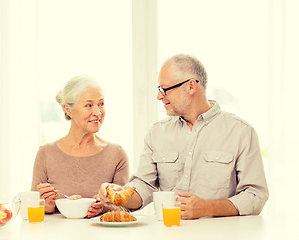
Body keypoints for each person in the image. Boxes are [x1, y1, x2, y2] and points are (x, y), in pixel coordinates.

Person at [98, 54, 269, 219]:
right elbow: (144, 185)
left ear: (191, 86)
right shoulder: (157, 133)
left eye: (164, 89)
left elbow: (256, 195)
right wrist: (120, 194)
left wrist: (207, 207)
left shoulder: (241, 131)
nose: (159, 96)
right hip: (169, 233)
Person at [31, 75, 130, 218]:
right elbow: (32, 207)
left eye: (101, 104)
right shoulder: (45, 153)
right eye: (89, 105)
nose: (98, 113)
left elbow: (126, 210)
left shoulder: (117, 154)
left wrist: (103, 208)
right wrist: (46, 207)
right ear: (68, 109)